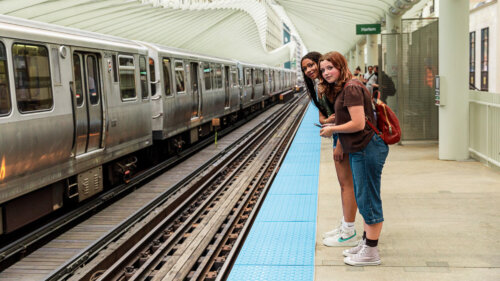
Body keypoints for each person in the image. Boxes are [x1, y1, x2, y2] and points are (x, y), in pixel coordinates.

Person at [318, 51, 389, 266]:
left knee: (368, 199)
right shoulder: (347, 87)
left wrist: (333, 129)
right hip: (360, 148)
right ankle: (366, 243)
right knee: (363, 195)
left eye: (330, 67)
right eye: (323, 70)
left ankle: (371, 252)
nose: (326, 72)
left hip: (366, 147)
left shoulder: (351, 88)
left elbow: (358, 123)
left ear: (341, 66)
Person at [301, 52, 358, 247]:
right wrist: (331, 121)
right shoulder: (321, 87)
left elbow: (343, 116)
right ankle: (345, 224)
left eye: (312, 65)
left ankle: (349, 230)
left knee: (347, 185)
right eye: (305, 68)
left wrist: (340, 142)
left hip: (345, 138)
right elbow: (323, 119)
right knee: (344, 185)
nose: (309, 70)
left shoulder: (336, 86)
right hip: (339, 136)